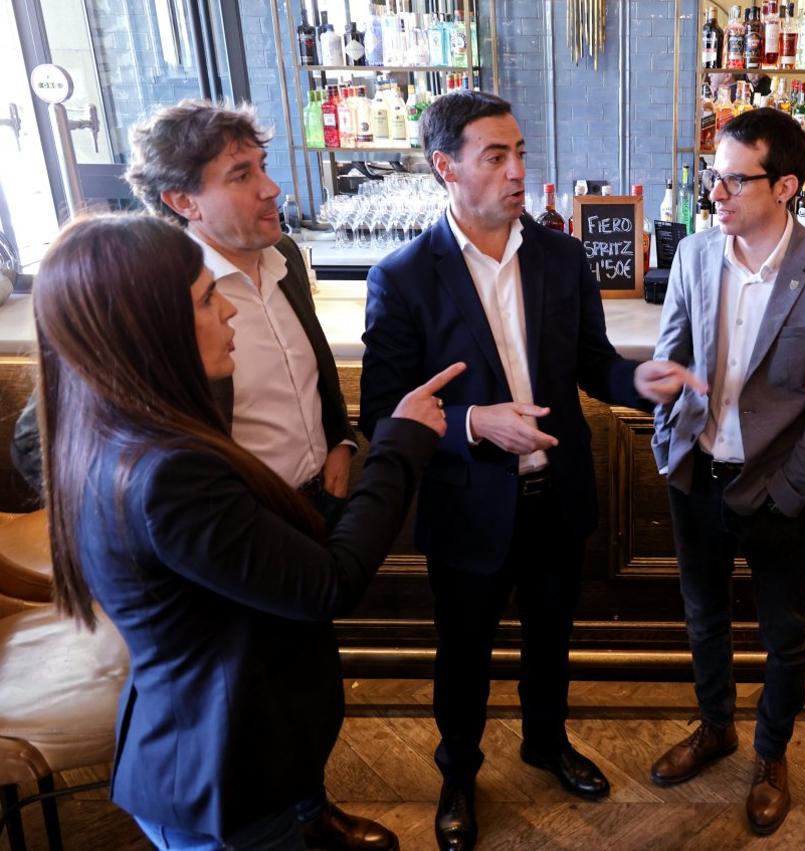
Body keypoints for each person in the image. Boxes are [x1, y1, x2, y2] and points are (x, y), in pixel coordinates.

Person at [12, 100, 388, 850]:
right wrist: (164, 519)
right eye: (242, 175)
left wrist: (342, 439)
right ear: (183, 200)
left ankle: (307, 804)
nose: (272, 189)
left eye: (264, 167)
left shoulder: (286, 265)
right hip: (224, 538)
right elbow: (46, 439)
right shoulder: (149, 301)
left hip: (304, 502)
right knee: (245, 690)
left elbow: (310, 374)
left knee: (291, 683)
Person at [36, 213, 460, 850]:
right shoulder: (170, 472)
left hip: (245, 746)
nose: (229, 315)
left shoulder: (122, 425)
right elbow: (329, 584)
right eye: (208, 300)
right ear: (152, 329)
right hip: (225, 778)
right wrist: (399, 446)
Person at [359, 90, 703, 851]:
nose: (519, 170)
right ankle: (459, 771)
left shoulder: (561, 254)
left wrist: (636, 382)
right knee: (464, 652)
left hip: (558, 493)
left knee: (551, 636)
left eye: (519, 152)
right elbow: (383, 413)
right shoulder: (404, 277)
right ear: (445, 167)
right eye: (496, 156)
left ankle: (545, 742)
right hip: (467, 502)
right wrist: (477, 424)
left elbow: (592, 364)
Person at [647, 108, 805, 836]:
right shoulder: (694, 256)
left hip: (777, 488)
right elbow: (670, 362)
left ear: (786, 186)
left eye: (736, 180)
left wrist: (789, 490)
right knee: (704, 616)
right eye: (715, 176)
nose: (717, 193)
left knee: (785, 635)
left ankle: (771, 752)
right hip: (697, 476)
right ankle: (717, 726)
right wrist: (666, 444)